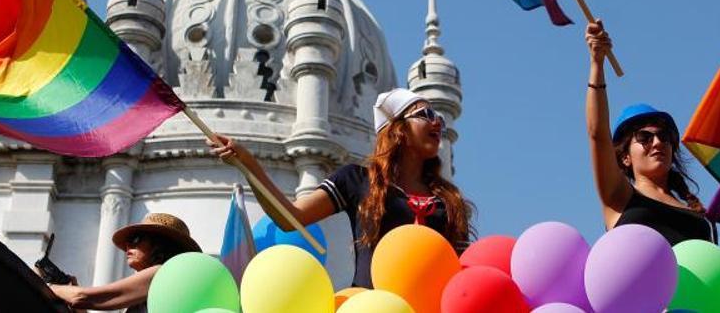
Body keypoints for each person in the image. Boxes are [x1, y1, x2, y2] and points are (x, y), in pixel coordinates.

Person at [208, 88, 474, 288]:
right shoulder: (357, 180)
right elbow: (292, 219)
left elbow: (462, 269)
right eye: (426, 115)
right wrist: (248, 164)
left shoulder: (449, 200)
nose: (437, 122)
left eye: (438, 115)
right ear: (398, 130)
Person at [584, 20, 720, 244]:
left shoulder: (699, 215)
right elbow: (597, 134)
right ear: (625, 157)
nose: (657, 143)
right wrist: (597, 64)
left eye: (665, 137)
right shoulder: (620, 196)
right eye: (644, 137)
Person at [48, 213, 200, 312]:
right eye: (128, 241)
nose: (128, 246)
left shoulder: (163, 273)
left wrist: (48, 287)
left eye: (136, 239)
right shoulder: (141, 299)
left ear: (160, 244)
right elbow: (82, 299)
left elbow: (81, 297)